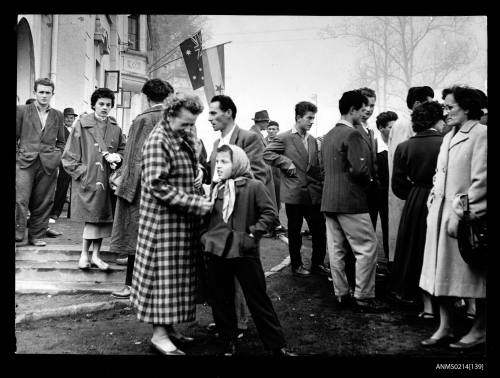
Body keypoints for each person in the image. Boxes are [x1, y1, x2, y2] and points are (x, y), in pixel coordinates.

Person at [130, 92, 213, 355]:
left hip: (180, 222)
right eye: (186, 123)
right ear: (170, 115)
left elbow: (191, 165)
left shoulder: (179, 135)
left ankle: (170, 329)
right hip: (162, 224)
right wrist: (197, 203)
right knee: (161, 278)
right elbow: (157, 185)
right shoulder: (158, 140)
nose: (190, 128)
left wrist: (198, 172)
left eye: (192, 123)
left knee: (176, 278)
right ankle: (158, 335)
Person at [201, 144, 296, 357]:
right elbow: (207, 218)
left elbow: (269, 213)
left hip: (245, 253)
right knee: (221, 300)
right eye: (217, 161)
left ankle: (276, 346)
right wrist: (204, 237)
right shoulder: (217, 188)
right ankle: (229, 342)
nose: (218, 166)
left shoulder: (254, 186)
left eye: (224, 162)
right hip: (217, 252)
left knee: (258, 300)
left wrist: (253, 235)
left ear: (238, 163)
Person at [419, 85, 486, 349]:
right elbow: (441, 174)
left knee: (475, 276)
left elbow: (482, 181)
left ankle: (480, 330)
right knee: (440, 272)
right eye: (444, 107)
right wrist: (433, 201)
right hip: (440, 215)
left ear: (467, 107)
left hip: (465, 219)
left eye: (450, 106)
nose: (445, 111)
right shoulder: (448, 136)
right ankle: (445, 327)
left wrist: (464, 212)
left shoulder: (481, 134)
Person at [207, 95, 272, 337]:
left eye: (214, 113)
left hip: (242, 218)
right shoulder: (216, 144)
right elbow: (213, 176)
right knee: (223, 277)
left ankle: (241, 322)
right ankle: (229, 324)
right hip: (219, 221)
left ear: (229, 113)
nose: (210, 118)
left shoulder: (249, 138)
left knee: (245, 274)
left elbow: (257, 176)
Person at [321, 90, 386, 312]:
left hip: (329, 200)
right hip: (351, 200)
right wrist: (368, 181)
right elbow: (359, 170)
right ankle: (364, 296)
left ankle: (341, 294)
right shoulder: (353, 134)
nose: (364, 113)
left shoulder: (329, 135)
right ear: (352, 110)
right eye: (361, 109)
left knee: (337, 251)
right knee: (367, 247)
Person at [110, 79, 173, 299]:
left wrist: (123, 186)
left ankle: (131, 285)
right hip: (169, 187)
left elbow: (132, 158)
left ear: (147, 97)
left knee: (135, 236)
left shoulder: (143, 120)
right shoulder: (177, 118)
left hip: (142, 187)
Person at [62, 88, 126, 271]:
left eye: (108, 105)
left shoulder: (115, 128)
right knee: (92, 218)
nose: (105, 108)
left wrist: (118, 158)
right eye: (101, 104)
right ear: (93, 105)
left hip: (107, 180)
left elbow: (123, 149)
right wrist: (83, 173)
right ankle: (84, 255)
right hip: (89, 179)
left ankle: (96, 255)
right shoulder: (81, 124)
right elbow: (69, 155)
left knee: (103, 219)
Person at [389, 101, 444, 317]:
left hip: (415, 200)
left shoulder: (404, 147)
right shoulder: (446, 142)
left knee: (415, 249)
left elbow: (398, 186)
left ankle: (421, 302)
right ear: (435, 120)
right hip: (440, 198)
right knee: (438, 250)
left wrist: (414, 194)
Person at [264, 101, 328, 278]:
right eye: (309, 118)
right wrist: (286, 163)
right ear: (298, 118)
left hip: (313, 194)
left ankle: (318, 264)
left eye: (313, 118)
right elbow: (267, 154)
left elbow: (317, 167)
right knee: (294, 232)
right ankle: (297, 265)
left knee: (319, 231)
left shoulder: (313, 140)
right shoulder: (284, 137)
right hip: (294, 194)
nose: (311, 122)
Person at [387, 86, 434, 266]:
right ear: (417, 103)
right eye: (428, 103)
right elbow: (403, 159)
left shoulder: (413, 123)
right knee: (402, 231)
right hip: (404, 188)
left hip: (409, 188)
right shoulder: (404, 124)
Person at [16, 78, 65, 246]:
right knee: (20, 198)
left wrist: (55, 156)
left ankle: (37, 236)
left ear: (52, 94)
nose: (44, 95)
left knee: (43, 201)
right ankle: (18, 235)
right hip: (24, 162)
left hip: (48, 163)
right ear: (34, 92)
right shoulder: (22, 110)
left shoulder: (57, 115)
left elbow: (61, 141)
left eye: (47, 93)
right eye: (41, 92)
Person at [46, 107, 79, 236]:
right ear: (63, 118)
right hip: (63, 162)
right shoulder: (59, 130)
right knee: (61, 187)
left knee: (75, 188)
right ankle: (55, 213)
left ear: (74, 119)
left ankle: (73, 213)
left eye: (71, 117)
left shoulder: (77, 130)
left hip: (76, 162)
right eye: (67, 117)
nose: (69, 119)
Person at [248, 109, 279, 237]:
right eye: (267, 122)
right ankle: (264, 228)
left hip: (265, 173)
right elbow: (254, 157)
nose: (268, 125)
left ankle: (272, 227)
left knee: (268, 202)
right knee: (263, 203)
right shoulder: (253, 134)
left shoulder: (257, 134)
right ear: (262, 122)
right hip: (260, 174)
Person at [374, 111, 398, 262]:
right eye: (391, 127)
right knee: (369, 232)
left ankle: (391, 262)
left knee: (390, 230)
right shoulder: (373, 147)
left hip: (391, 197)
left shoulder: (398, 146)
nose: (394, 131)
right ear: (381, 128)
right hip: (375, 195)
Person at [265, 120, 286, 235]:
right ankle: (269, 227)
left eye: (274, 129)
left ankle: (276, 224)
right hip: (267, 176)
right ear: (267, 130)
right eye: (270, 129)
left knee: (277, 202)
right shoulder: (262, 142)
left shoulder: (281, 142)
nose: (272, 131)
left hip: (278, 177)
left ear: (278, 130)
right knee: (267, 202)